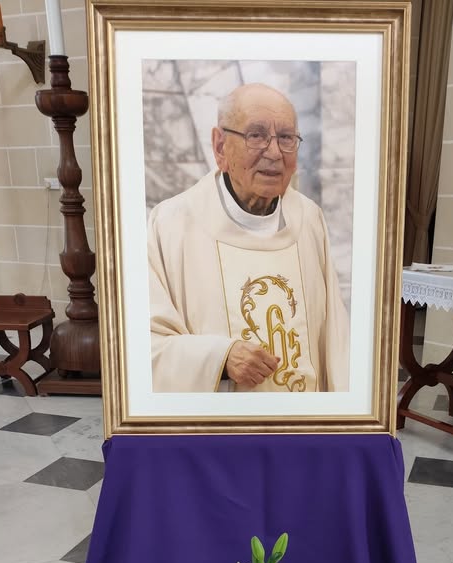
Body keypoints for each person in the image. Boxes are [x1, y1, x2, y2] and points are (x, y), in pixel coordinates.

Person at [148, 83, 350, 393]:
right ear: (220, 147)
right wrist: (220, 358)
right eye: (256, 135)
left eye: (286, 138)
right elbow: (146, 344)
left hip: (302, 427)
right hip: (218, 434)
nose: (274, 153)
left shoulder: (309, 219)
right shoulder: (171, 224)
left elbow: (335, 339)